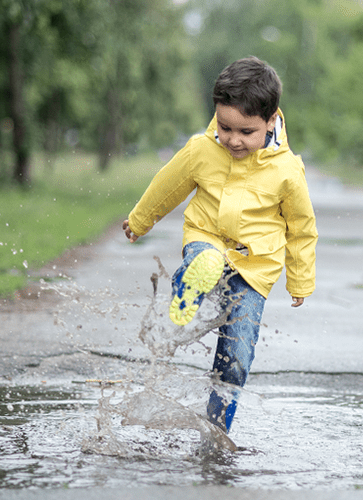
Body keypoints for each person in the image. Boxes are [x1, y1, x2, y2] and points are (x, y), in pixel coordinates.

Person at [122, 57, 318, 433]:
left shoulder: (287, 170)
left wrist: (300, 280)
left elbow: (301, 227)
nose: (232, 139)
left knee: (237, 355)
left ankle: (217, 428)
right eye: (225, 127)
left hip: (254, 268)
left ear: (272, 120)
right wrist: (140, 220)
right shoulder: (202, 149)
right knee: (206, 258)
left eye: (246, 131)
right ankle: (188, 287)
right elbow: (168, 186)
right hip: (206, 238)